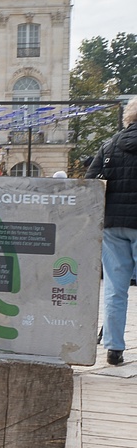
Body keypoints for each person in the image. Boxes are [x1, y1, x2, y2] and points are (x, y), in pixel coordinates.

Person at [87, 96, 137, 365]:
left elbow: (90, 183)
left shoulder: (109, 146)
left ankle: (114, 348)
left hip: (113, 224)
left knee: (115, 289)